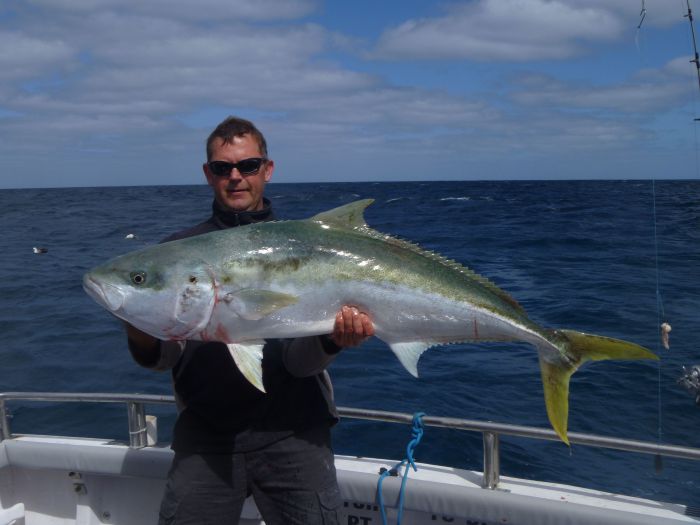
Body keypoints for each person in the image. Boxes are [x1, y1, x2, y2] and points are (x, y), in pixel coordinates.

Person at [125, 116, 374, 525]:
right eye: (223, 168)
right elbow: (164, 357)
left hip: (296, 433)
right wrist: (138, 326)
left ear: (268, 170)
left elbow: (299, 364)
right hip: (206, 437)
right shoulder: (176, 254)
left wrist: (333, 340)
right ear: (208, 174)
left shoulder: (306, 242)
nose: (236, 177)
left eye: (249, 165)